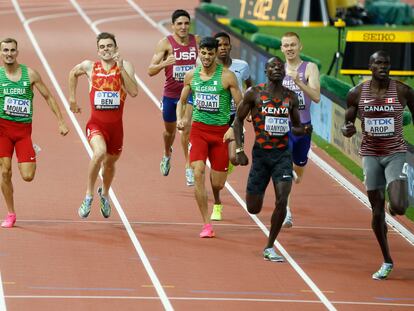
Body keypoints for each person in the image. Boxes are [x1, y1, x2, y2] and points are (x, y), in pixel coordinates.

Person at [342, 50, 414, 280]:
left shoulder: (403, 91)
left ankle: (398, 200)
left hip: (395, 153)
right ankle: (387, 260)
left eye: (386, 63)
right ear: (370, 66)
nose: (383, 66)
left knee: (400, 207)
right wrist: (348, 129)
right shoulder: (356, 93)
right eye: (378, 63)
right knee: (376, 210)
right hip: (371, 155)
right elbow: (347, 123)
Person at [233, 56, 311, 261]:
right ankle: (258, 206)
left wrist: (302, 129)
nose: (276, 68)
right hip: (260, 155)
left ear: (284, 72)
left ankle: (270, 246)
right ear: (266, 71)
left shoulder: (291, 97)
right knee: (253, 208)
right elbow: (238, 120)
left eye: (279, 66)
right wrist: (239, 149)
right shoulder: (254, 93)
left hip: (282, 155)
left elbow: (295, 126)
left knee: (282, 199)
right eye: (272, 66)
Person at [176, 37, 242, 238]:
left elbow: (241, 107)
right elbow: (182, 100)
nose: (206, 57)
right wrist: (180, 119)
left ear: (215, 54)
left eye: (210, 53)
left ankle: (223, 175)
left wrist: (233, 127)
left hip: (220, 133)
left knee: (218, 184)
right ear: (199, 53)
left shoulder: (227, 77)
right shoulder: (191, 76)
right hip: (199, 131)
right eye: (203, 53)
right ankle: (206, 224)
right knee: (197, 172)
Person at [0, 38, 69, 228]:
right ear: (0, 53)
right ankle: (11, 213)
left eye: (12, 50)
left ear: (17, 52)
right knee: (5, 171)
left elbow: (48, 96)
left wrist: (61, 122)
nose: (9, 53)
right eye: (5, 50)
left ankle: (30, 150)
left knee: (28, 176)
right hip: (2, 131)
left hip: (23, 132)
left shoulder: (30, 74)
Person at [69, 32, 138, 219]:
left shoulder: (126, 66)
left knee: (109, 164)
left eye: (109, 46)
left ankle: (105, 194)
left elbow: (133, 92)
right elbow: (72, 73)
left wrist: (122, 68)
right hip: (96, 124)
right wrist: (72, 98)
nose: (106, 49)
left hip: (116, 129)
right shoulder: (90, 66)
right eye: (102, 47)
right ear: (98, 51)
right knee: (99, 153)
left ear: (116, 48)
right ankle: (88, 195)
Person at [148, 9, 199, 186]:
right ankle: (167, 153)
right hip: (171, 95)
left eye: (186, 23)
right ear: (173, 26)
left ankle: (188, 167)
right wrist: (165, 63)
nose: (183, 27)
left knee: (186, 128)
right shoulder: (165, 44)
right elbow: (150, 71)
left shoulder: (196, 41)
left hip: (190, 94)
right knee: (169, 132)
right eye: (179, 24)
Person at [209, 31, 252, 221]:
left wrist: (249, 108)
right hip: (216, 119)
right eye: (219, 45)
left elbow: (249, 84)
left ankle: (227, 162)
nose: (223, 48)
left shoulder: (242, 66)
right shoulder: (210, 68)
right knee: (217, 176)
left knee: (234, 158)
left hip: (235, 118)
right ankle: (217, 204)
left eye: (226, 44)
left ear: (230, 46)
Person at [280, 32, 320, 228]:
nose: (289, 48)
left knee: (298, 172)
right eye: (286, 45)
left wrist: (298, 82)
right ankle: (286, 211)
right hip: (282, 126)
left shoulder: (309, 68)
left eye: (292, 45)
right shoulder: (278, 69)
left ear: (300, 46)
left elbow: (316, 97)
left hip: (302, 128)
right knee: (284, 170)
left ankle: (297, 169)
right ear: (281, 49)